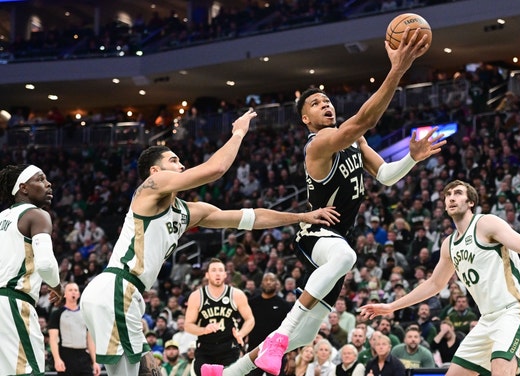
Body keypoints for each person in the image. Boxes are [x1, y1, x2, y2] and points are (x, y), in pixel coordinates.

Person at [224, 28, 440, 376]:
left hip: (339, 238)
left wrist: (412, 158)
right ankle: (279, 336)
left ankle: (230, 373)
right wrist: (397, 70)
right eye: (315, 103)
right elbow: (366, 118)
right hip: (316, 233)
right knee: (345, 257)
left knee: (306, 334)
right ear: (305, 119)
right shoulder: (318, 144)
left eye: (327, 100)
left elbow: (385, 176)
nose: (325, 104)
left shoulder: (355, 140)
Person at [79, 110, 340, 376]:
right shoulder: (152, 184)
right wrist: (238, 133)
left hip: (123, 294)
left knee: (142, 373)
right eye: (174, 160)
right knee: (147, 372)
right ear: (155, 170)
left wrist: (301, 216)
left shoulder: (188, 211)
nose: (181, 165)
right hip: (117, 288)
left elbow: (250, 217)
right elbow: (216, 168)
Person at [361, 180, 520, 376]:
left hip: (516, 308)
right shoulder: (449, 245)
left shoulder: (485, 223)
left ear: (470, 201)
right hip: (487, 318)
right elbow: (434, 284)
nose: (451, 198)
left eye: (457, 193)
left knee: (501, 368)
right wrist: (391, 307)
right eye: (447, 195)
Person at [0, 164, 63, 376]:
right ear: (24, 188)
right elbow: (45, 263)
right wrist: (57, 287)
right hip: (12, 302)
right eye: (41, 179)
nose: (48, 183)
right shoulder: (37, 215)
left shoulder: (1, 218)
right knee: (30, 371)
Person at [184, 258, 255, 375]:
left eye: (221, 270)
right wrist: (203, 330)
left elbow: (250, 319)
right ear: (207, 275)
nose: (217, 273)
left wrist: (241, 334)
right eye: (214, 270)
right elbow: (188, 325)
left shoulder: (236, 294)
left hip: (229, 348)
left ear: (225, 275)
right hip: (205, 349)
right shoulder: (197, 296)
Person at [48, 282, 101, 376]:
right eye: (70, 290)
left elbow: (90, 339)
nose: (73, 292)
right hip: (66, 356)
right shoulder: (57, 314)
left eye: (76, 290)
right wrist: (57, 359)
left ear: (79, 294)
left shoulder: (85, 313)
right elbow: (53, 339)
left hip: (83, 356)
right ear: (64, 294)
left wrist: (95, 361)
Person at [247, 273, 291, 376]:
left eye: (271, 280)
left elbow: (290, 330)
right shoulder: (252, 303)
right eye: (266, 280)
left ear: (277, 284)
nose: (268, 282)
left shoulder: (284, 305)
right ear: (261, 283)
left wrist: (291, 354)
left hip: (276, 353)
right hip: (254, 351)